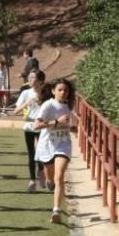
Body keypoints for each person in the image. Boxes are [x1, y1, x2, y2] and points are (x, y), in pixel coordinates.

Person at [34, 78, 77, 224]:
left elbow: (65, 124)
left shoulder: (68, 106)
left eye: (66, 90)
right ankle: (47, 180)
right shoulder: (48, 105)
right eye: (60, 90)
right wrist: (57, 122)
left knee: (59, 177)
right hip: (47, 145)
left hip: (63, 145)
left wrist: (70, 128)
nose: (63, 92)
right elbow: (36, 125)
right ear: (53, 91)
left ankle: (56, 211)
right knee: (51, 180)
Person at [14, 70, 47, 192]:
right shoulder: (25, 93)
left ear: (40, 81)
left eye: (34, 77)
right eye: (30, 76)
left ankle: (41, 171)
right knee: (31, 154)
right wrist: (26, 103)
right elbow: (16, 111)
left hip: (42, 126)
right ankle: (32, 181)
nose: (31, 79)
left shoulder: (46, 93)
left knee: (42, 152)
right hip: (29, 126)